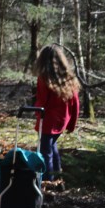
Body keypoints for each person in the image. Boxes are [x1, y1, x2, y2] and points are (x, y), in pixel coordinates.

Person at [33, 44, 80, 182]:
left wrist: (37, 115)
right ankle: (58, 179)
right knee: (52, 148)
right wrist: (71, 124)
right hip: (62, 121)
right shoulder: (69, 78)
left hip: (48, 121)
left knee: (45, 152)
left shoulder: (44, 78)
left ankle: (48, 182)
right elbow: (75, 103)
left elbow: (42, 101)